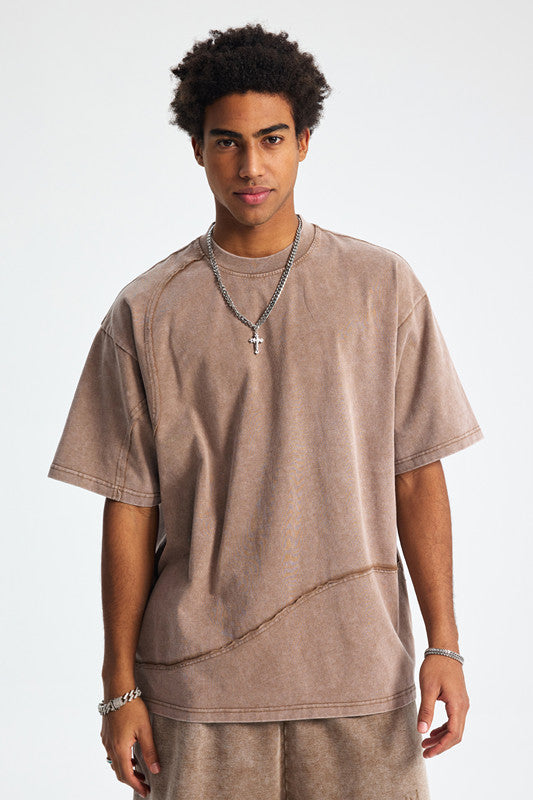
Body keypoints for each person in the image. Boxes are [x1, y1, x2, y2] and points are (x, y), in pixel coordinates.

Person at [47, 22, 484, 800]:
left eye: (271, 139)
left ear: (303, 142)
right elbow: (128, 507)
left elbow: (417, 473)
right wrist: (118, 688)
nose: (250, 166)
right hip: (196, 690)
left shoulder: (381, 287)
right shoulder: (145, 311)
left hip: (360, 679)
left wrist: (443, 644)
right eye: (227, 142)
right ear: (197, 148)